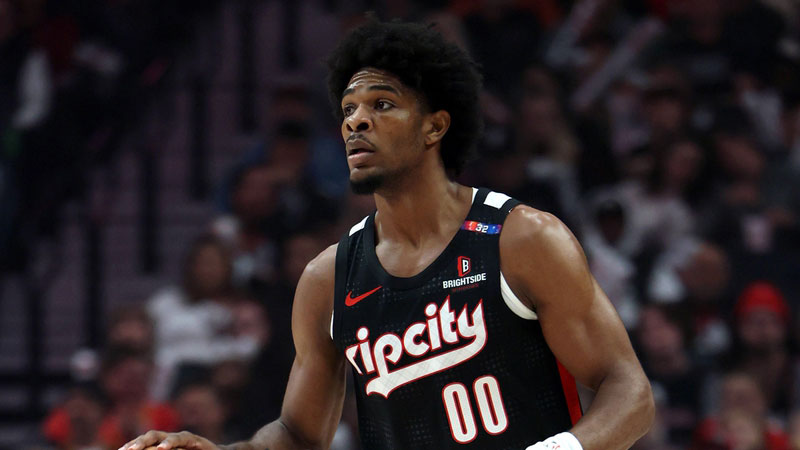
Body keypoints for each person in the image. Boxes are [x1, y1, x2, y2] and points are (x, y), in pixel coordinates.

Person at [120, 19, 653, 450]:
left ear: (435, 126)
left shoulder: (520, 239)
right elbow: (299, 435)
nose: (356, 122)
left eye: (382, 105)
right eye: (348, 109)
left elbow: (628, 391)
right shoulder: (329, 276)